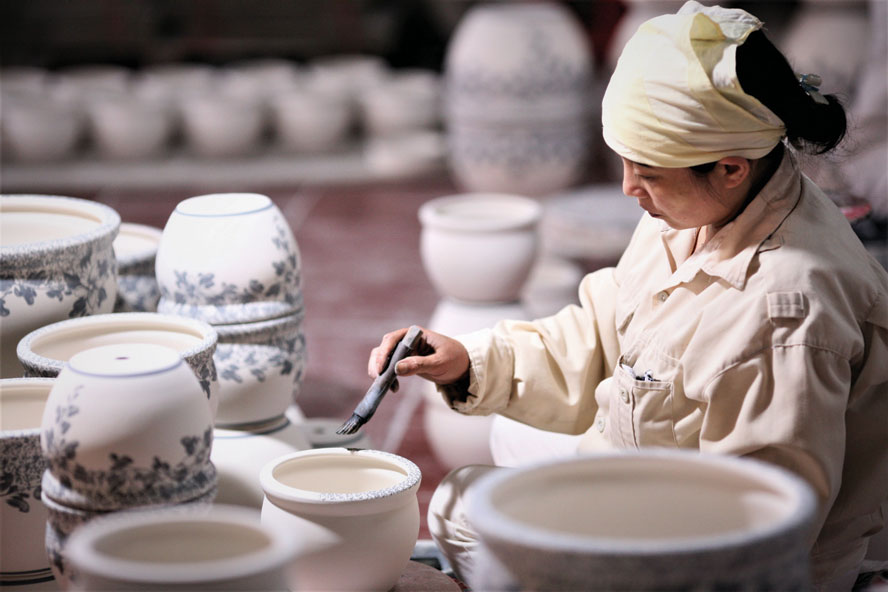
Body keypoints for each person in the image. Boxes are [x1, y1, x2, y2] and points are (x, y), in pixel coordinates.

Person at [369, 2, 888, 589]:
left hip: (721, 549)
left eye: (648, 170)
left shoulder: (783, 315)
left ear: (730, 168)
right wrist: (471, 361)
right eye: (626, 160)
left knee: (464, 511)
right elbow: (605, 326)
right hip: (665, 464)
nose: (627, 186)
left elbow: (759, 527)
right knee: (507, 428)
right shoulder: (699, 207)